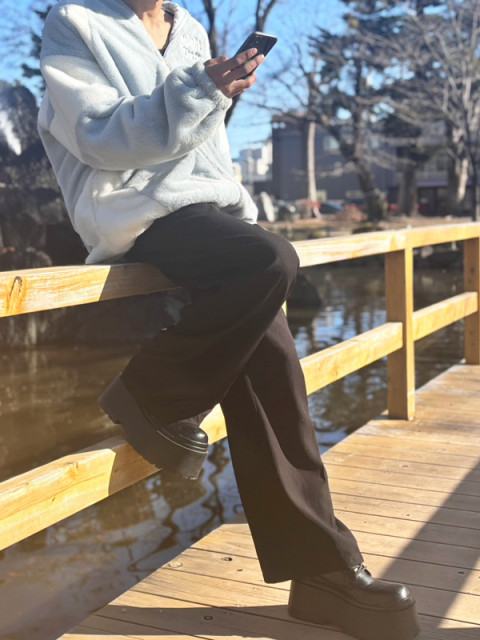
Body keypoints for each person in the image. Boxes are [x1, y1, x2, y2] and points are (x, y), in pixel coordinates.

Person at [38, 1, 420, 638]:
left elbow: (209, 145)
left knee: (271, 352)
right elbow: (98, 137)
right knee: (271, 261)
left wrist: (238, 205)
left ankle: (321, 569)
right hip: (131, 209)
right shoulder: (75, 21)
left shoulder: (188, 28)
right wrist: (198, 89)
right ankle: (151, 391)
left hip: (205, 211)